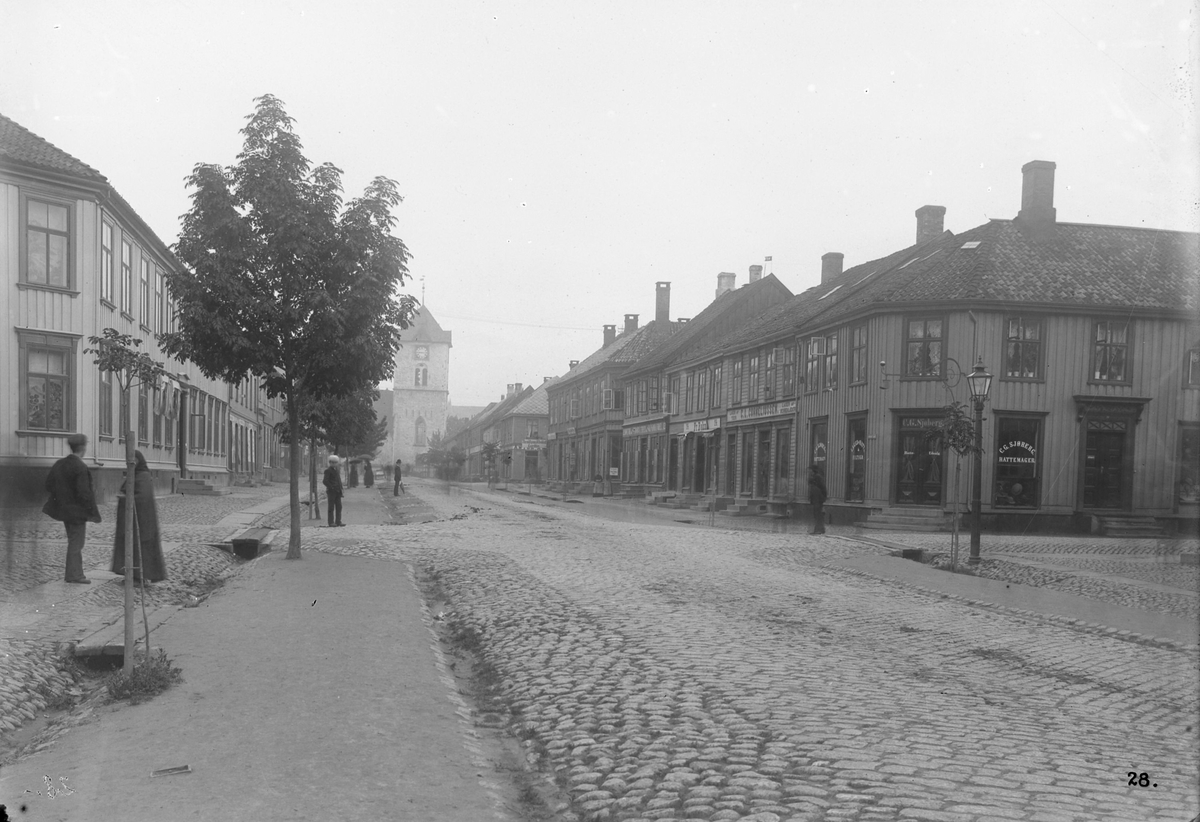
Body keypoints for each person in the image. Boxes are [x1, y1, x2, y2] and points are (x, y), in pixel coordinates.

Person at [42, 434, 101, 584]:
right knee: (77, 543)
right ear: (83, 448)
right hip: (77, 512)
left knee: (73, 541)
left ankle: (75, 573)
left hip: (64, 510)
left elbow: (48, 485)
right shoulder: (80, 467)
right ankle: (74, 575)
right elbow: (84, 493)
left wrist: (62, 497)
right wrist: (90, 510)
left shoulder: (60, 464)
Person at [111, 450, 167, 582]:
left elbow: (142, 497)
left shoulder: (143, 476)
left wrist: (125, 498)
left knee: (140, 548)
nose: (131, 463)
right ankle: (132, 575)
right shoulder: (136, 475)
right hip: (133, 520)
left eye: (134, 460)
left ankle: (140, 576)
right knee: (132, 547)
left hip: (142, 521)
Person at [323, 455, 344, 527]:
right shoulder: (328, 471)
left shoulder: (336, 470)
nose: (334, 464)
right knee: (331, 507)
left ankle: (338, 521)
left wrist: (341, 488)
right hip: (331, 491)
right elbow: (325, 481)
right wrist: (331, 487)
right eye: (333, 462)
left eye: (336, 462)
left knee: (339, 506)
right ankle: (331, 522)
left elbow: (338, 480)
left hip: (338, 491)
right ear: (330, 462)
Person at [807, 463, 827, 535]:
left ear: (813, 470)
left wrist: (822, 498)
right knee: (816, 514)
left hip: (818, 499)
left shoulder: (817, 477)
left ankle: (819, 529)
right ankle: (818, 529)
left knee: (818, 514)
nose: (809, 471)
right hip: (815, 499)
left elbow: (823, 488)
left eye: (810, 470)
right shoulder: (813, 477)